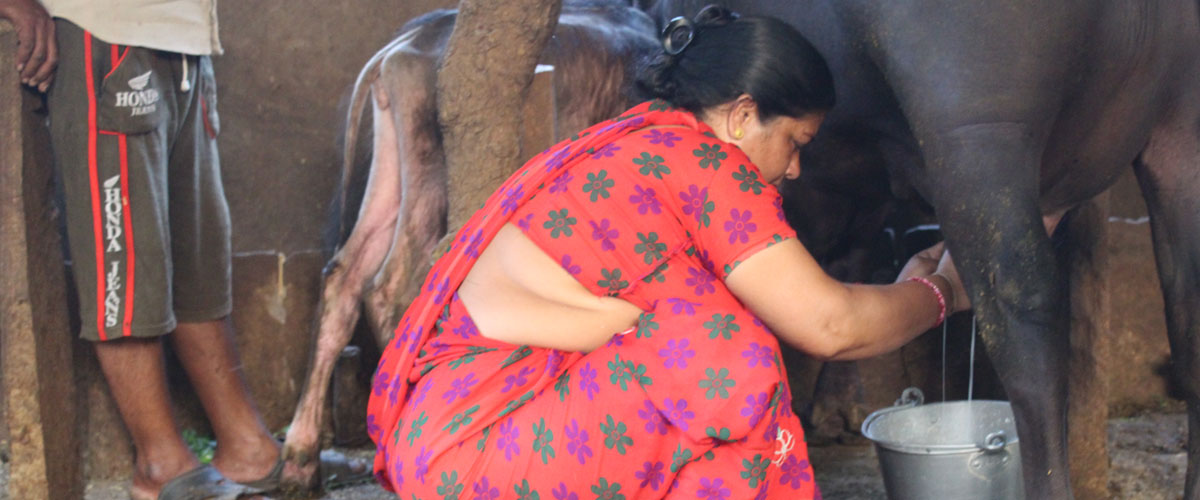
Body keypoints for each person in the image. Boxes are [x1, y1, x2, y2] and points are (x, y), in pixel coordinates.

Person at [366, 6, 969, 499]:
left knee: (707, 341)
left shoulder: (649, 138)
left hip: (448, 439)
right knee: (730, 362)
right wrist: (941, 291)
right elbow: (830, 324)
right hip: (481, 450)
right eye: (793, 142)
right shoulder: (706, 169)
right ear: (742, 115)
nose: (793, 168)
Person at [0, 0, 365, 498]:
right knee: (126, 266)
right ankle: (159, 464)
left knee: (200, 266)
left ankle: (247, 448)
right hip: (102, 30)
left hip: (185, 41)